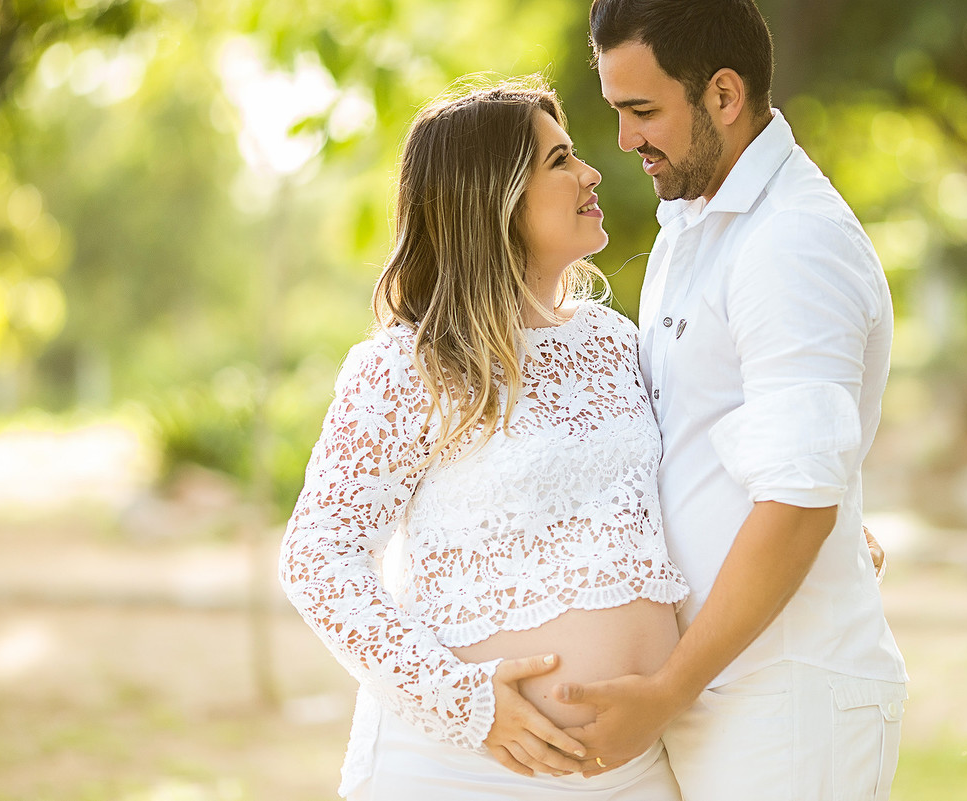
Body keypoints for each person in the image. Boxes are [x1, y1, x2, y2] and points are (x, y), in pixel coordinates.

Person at [279, 78, 689, 800]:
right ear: (491, 196)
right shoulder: (408, 365)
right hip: (465, 770)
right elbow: (319, 556)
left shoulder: (617, 341)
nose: (591, 173)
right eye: (560, 160)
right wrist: (463, 702)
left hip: (632, 774)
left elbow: (684, 489)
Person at [550, 1, 910, 799]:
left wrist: (669, 687)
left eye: (643, 111)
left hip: (785, 700)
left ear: (722, 94)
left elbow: (799, 499)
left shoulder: (792, 242)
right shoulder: (695, 220)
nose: (626, 141)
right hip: (718, 685)